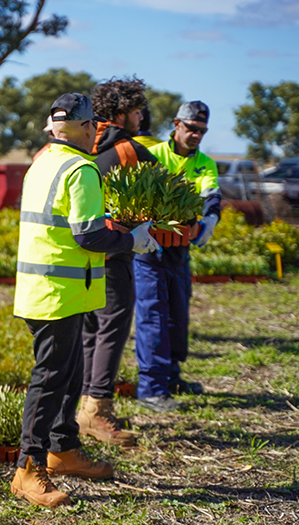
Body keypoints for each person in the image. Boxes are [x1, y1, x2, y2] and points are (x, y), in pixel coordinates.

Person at [11, 93, 159, 508]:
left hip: (51, 290)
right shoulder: (81, 169)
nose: (97, 130)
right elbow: (89, 235)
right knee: (49, 382)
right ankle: (28, 468)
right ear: (85, 127)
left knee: (69, 376)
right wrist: (133, 240)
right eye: (93, 124)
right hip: (58, 294)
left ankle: (63, 449)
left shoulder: (42, 164)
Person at [78, 77, 158, 447]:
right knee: (111, 327)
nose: (143, 116)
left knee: (90, 328)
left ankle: (83, 405)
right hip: (116, 251)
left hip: (79, 253)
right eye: (139, 109)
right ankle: (97, 410)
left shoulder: (79, 144)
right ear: (123, 112)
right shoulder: (130, 152)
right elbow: (169, 187)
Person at [135, 101, 220, 412]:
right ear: (176, 124)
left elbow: (211, 195)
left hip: (180, 250)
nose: (196, 135)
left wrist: (210, 219)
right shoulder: (154, 155)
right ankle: (150, 388)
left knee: (177, 317)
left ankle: (171, 377)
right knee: (153, 317)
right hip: (150, 249)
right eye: (192, 129)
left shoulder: (205, 164)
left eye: (202, 131)